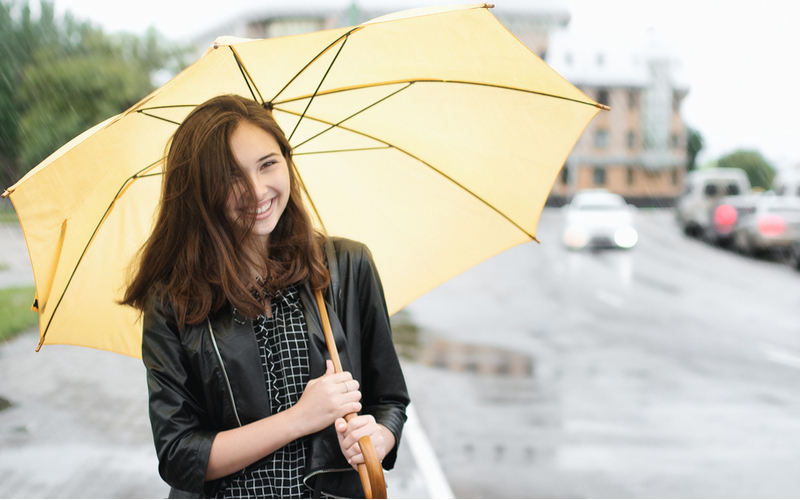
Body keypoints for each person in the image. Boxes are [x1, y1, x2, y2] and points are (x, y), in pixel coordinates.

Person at [122, 94, 409, 498]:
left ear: (287, 161)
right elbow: (178, 454)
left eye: (268, 164)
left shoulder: (347, 265)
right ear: (200, 192)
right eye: (231, 176)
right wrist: (300, 418)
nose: (256, 191)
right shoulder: (174, 299)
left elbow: (389, 399)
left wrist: (376, 438)